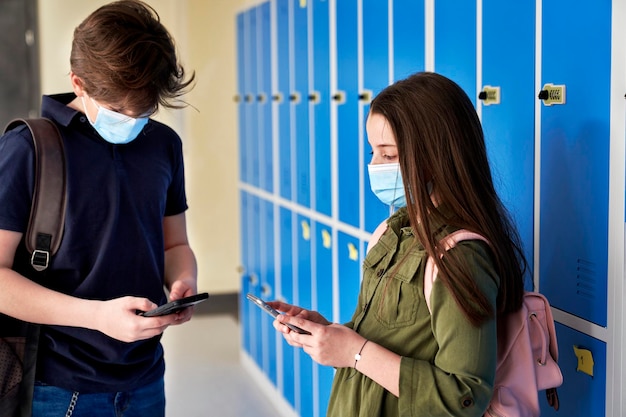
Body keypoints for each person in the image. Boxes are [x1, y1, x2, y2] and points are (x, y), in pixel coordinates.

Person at [269, 71, 527, 416]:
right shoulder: (392, 232)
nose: (373, 165)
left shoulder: (460, 256)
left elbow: (464, 395)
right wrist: (329, 334)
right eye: (373, 151)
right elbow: (388, 342)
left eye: (388, 156)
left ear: (436, 156)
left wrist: (355, 352)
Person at [0, 1, 197, 416]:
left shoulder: (162, 144)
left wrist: (183, 282)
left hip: (145, 378)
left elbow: (174, 243)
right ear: (79, 83)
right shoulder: (28, 149)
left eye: (143, 111)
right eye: (118, 111)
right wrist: (96, 317)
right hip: (55, 386)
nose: (132, 121)